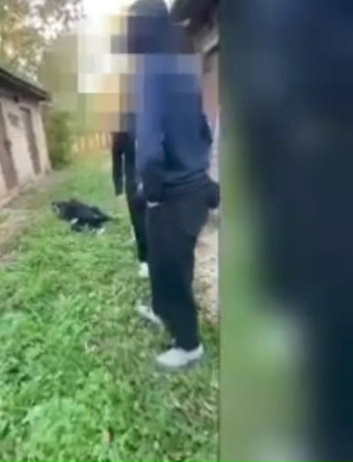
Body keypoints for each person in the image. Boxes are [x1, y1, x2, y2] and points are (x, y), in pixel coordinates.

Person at [127, 0, 216, 370]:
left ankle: (188, 344)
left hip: (173, 194)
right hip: (196, 190)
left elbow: (148, 146)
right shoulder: (181, 67)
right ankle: (161, 310)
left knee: (168, 270)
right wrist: (198, 167)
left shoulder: (151, 69)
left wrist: (152, 191)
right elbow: (204, 129)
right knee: (177, 264)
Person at [111, 130, 148, 278]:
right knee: (139, 222)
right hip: (134, 182)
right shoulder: (122, 131)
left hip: (155, 178)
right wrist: (118, 188)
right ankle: (144, 261)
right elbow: (117, 159)